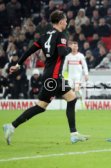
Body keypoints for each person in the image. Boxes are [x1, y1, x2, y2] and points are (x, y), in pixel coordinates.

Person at [3, 10, 89, 145]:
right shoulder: (61, 35)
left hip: (51, 76)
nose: (66, 23)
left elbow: (29, 50)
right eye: (65, 20)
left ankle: (74, 134)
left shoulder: (44, 36)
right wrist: (70, 48)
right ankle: (12, 126)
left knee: (71, 99)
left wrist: (18, 65)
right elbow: (61, 53)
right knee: (41, 107)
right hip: (54, 78)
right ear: (61, 21)